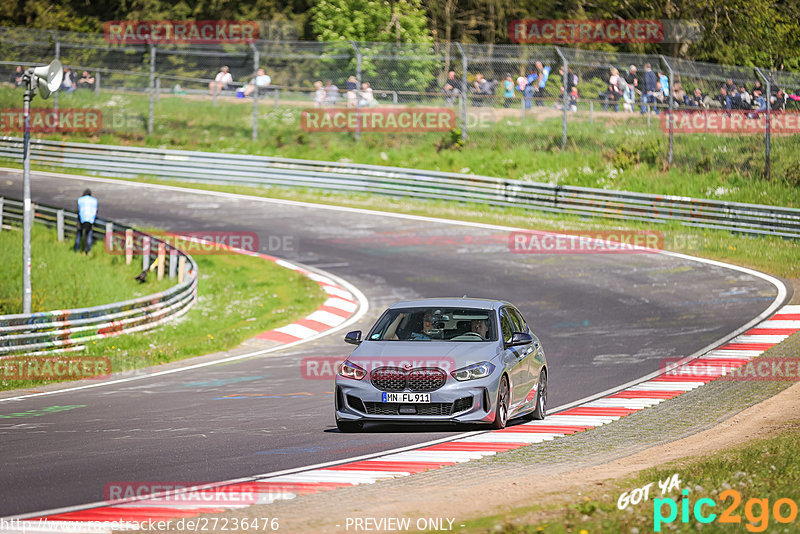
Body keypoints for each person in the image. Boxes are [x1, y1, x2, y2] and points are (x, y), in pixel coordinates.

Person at [74, 189, 98, 254]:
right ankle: (88, 250)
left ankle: (76, 249)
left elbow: (77, 210)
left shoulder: (80, 199)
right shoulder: (94, 200)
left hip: (81, 219)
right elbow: (96, 210)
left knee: (79, 234)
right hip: (90, 220)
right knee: (89, 234)